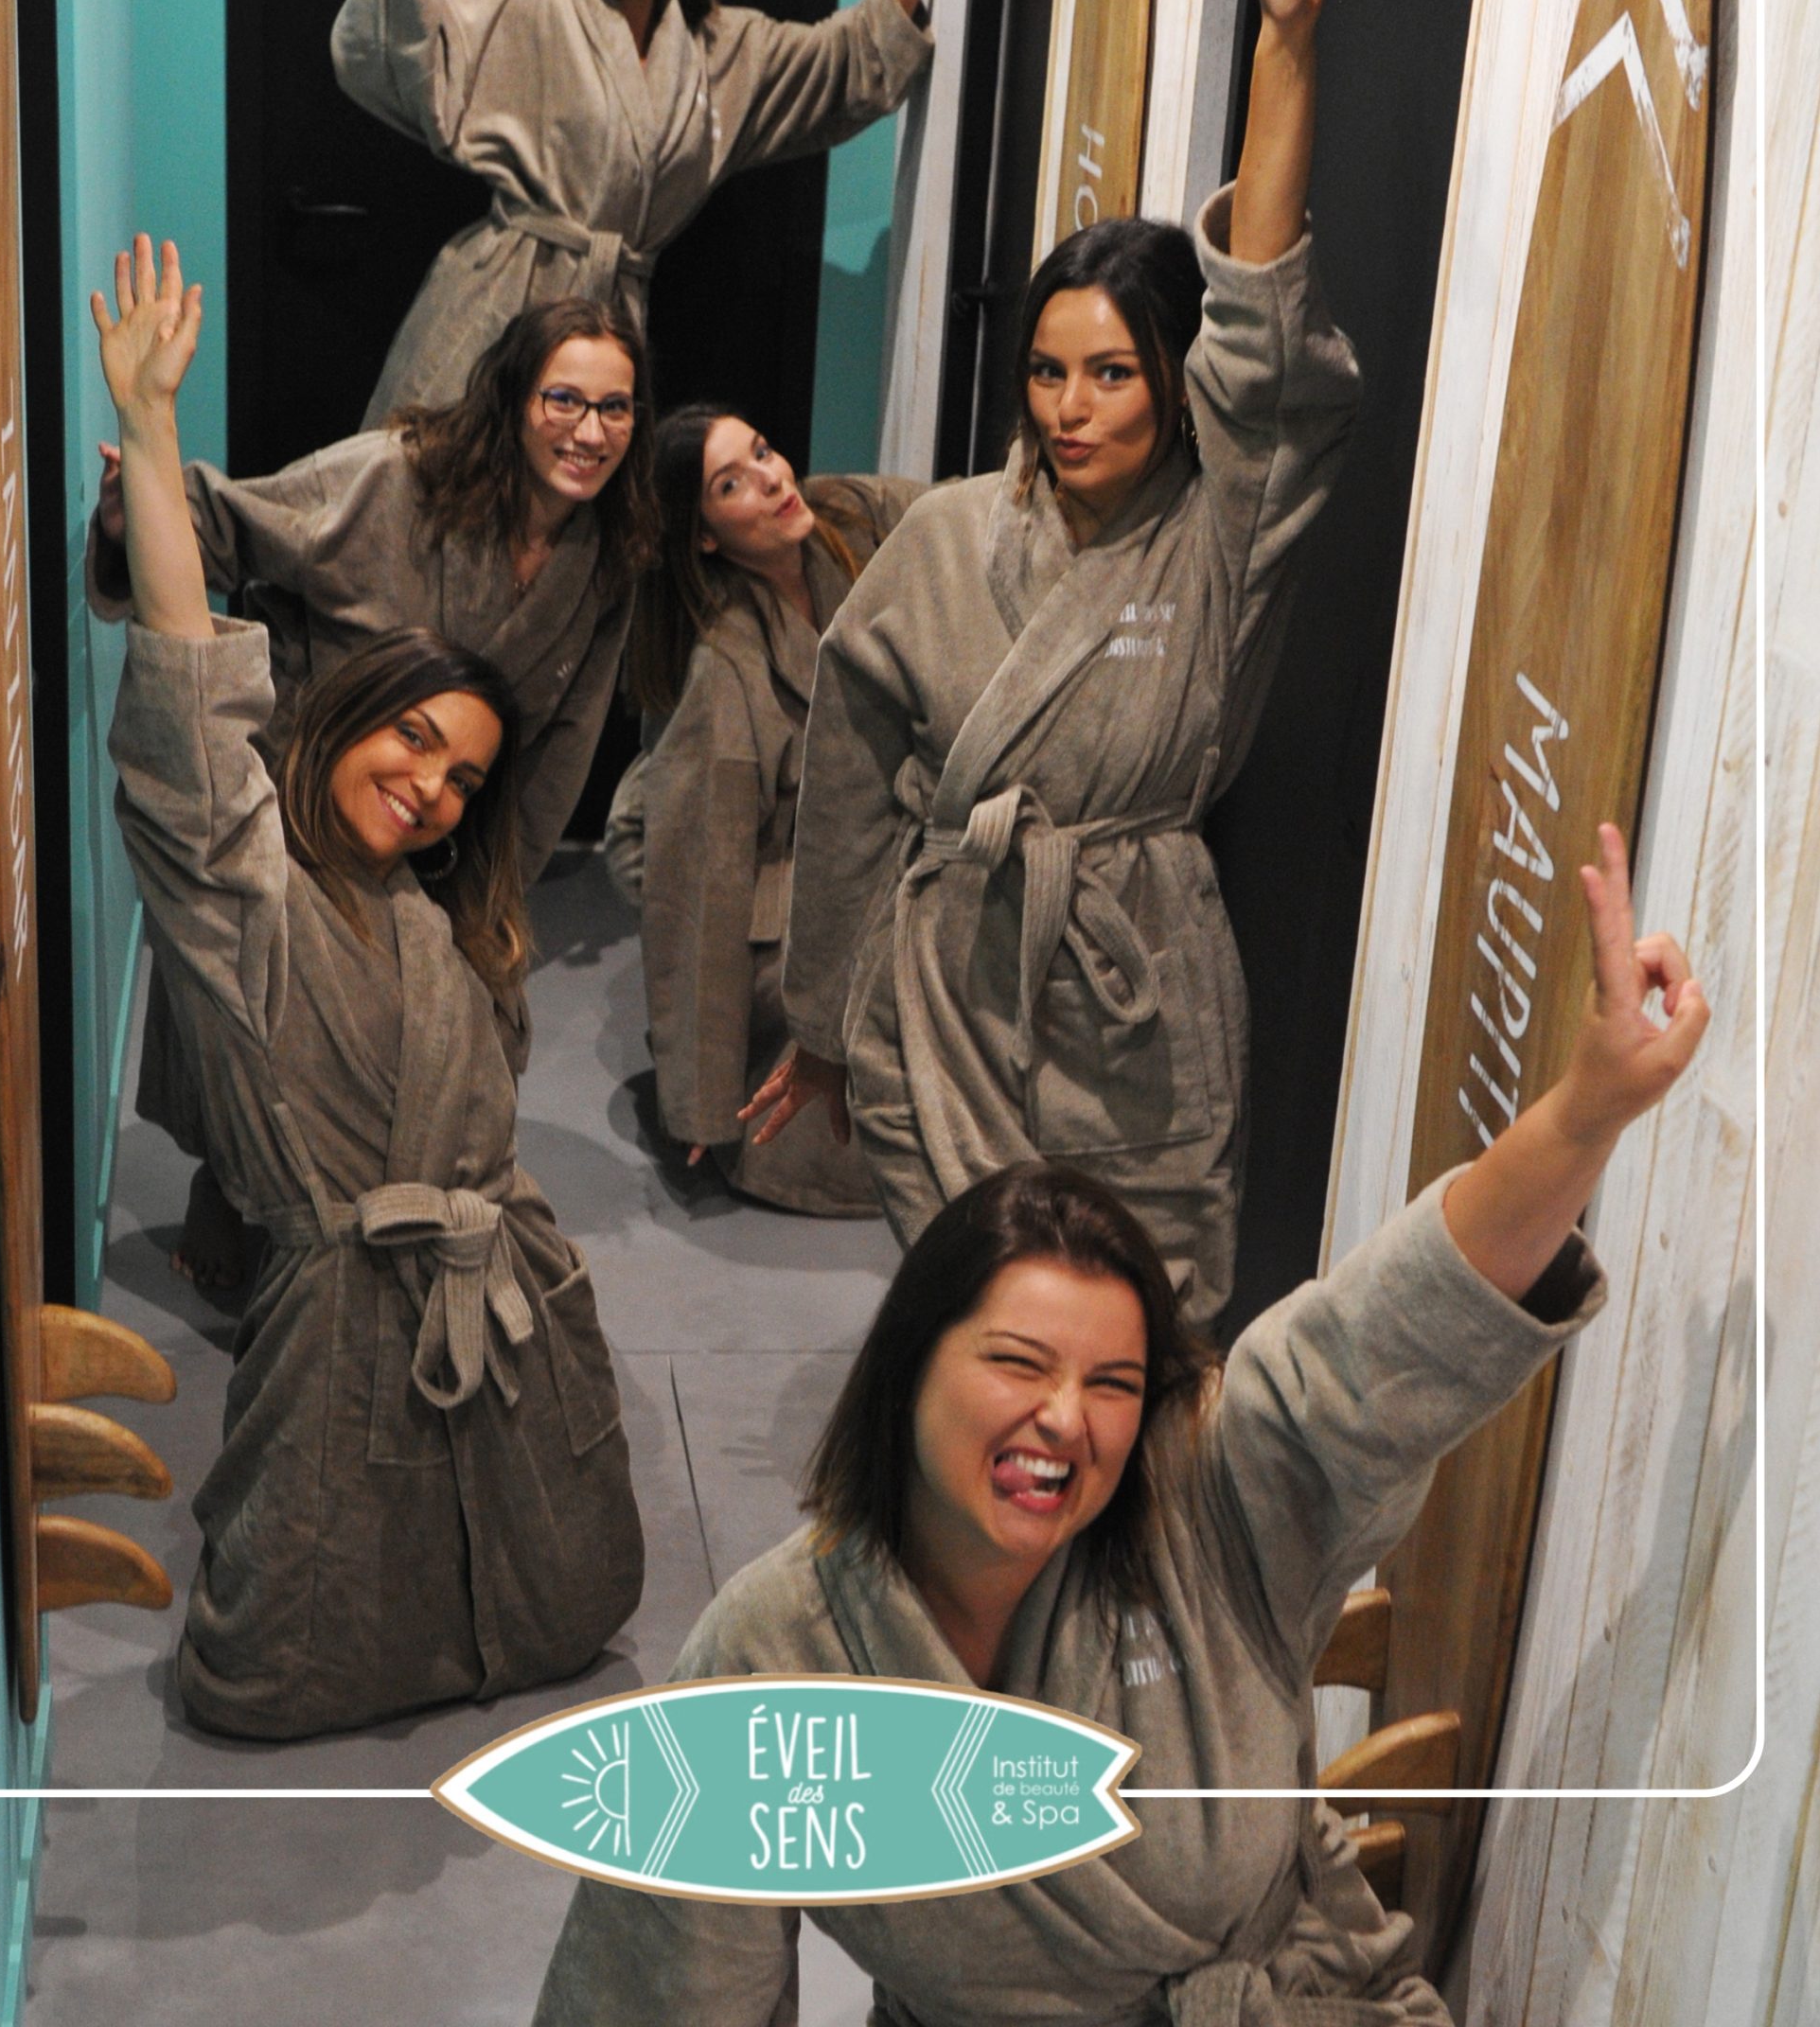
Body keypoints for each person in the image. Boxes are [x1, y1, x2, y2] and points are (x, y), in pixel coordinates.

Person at [535, 825, 1710, 2021]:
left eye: (1112, 1382)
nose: (1065, 1418)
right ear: (908, 1366)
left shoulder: (1206, 1494)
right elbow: (667, 1989)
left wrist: (1586, 1111)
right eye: (1016, 1362)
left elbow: (1385, 1338)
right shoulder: (777, 1656)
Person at [744, 0, 1357, 1319]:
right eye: (1045, 371)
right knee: (974, 1327)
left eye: (1113, 374)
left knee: (1142, 1338)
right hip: (947, 990)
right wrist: (826, 1021)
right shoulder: (951, 538)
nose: (1070, 409)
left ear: (1177, 385)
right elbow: (847, 786)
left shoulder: (1224, 535)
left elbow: (1264, 339)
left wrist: (1289, 45)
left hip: (1135, 1006)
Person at [93, 233, 645, 1740]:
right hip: (341, 1301)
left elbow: (538, 779)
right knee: (281, 1659)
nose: (432, 786)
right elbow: (191, 675)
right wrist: (150, 428)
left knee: (562, 1591)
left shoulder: (446, 920)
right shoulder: (244, 877)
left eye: (461, 775)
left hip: (495, 1289)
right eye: (410, 742)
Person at [86, 291, 658, 1287]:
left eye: (615, 408)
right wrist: (141, 488)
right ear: (514, 396)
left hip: (450, 828)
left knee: (434, 1044)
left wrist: (496, 896)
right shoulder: (395, 481)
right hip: (309, 808)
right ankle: (238, 1209)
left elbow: (560, 748)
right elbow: (220, 522)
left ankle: (375, 1234)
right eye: (564, 398)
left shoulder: (605, 553)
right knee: (266, 1047)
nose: (590, 430)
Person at [330, 0, 961, 427]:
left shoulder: (719, 53)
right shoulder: (536, 4)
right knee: (437, 481)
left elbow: (847, 60)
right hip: (495, 311)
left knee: (573, 488)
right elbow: (393, 54)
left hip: (610, 330)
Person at [616, 409, 927, 1212]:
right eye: (732, 484)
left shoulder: (850, 519)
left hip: (890, 869)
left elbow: (965, 512)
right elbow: (701, 887)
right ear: (705, 536)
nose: (771, 478)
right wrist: (700, 1100)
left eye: (762, 450)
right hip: (790, 918)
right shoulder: (725, 671)